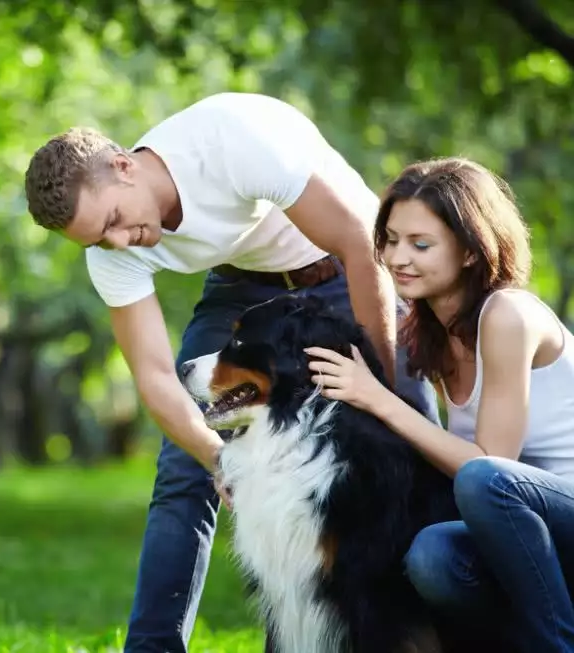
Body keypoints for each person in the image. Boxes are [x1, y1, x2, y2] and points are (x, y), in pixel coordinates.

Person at [23, 92, 440, 652]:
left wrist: (382, 394)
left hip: (347, 268)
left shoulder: (230, 140)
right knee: (181, 471)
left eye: (116, 221)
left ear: (123, 166)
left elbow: (357, 245)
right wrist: (220, 460)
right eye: (100, 239)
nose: (119, 242)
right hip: (244, 288)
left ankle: (449, 624)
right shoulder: (111, 252)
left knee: (411, 443)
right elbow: (154, 379)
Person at [306, 156, 574, 652]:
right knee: (432, 555)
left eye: (420, 244)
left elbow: (491, 465)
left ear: (471, 251)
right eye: (390, 240)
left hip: (563, 513)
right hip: (526, 535)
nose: (397, 258)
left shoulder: (507, 315)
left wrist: (378, 398)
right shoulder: (431, 331)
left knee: (480, 479)